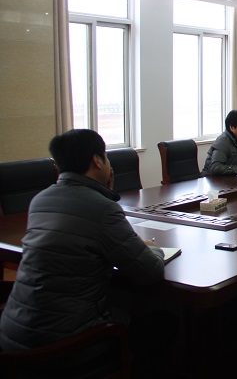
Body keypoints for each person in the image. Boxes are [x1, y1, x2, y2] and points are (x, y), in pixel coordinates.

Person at [0, 129, 168, 370]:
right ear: (97, 161)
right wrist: (154, 249)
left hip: (14, 333)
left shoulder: (40, 200)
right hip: (61, 346)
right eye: (106, 157)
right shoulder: (102, 209)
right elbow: (150, 272)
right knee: (162, 321)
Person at [202, 109, 237, 175]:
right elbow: (216, 167)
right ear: (232, 127)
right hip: (212, 178)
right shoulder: (222, 142)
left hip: (230, 177)